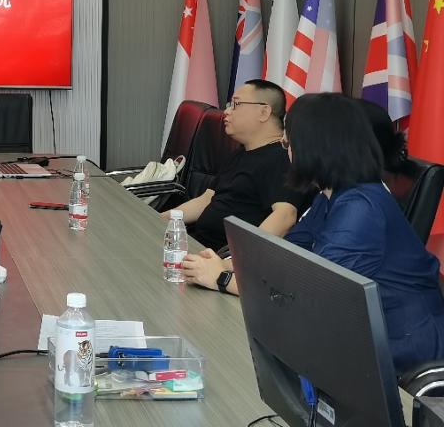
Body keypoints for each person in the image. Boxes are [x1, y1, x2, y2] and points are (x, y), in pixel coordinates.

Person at [187, 94, 444, 373]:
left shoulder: (361, 207)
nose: (287, 153)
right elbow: (286, 255)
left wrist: (224, 279)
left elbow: (311, 296)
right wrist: (227, 265)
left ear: (312, 147)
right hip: (356, 334)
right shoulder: (330, 194)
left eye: (288, 144)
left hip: (401, 347)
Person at [161, 79, 311, 251]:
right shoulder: (241, 153)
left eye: (235, 104)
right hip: (197, 244)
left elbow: (285, 217)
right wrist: (161, 219)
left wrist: (235, 260)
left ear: (264, 112)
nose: (226, 111)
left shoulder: (283, 159)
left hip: (226, 256)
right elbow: (206, 200)